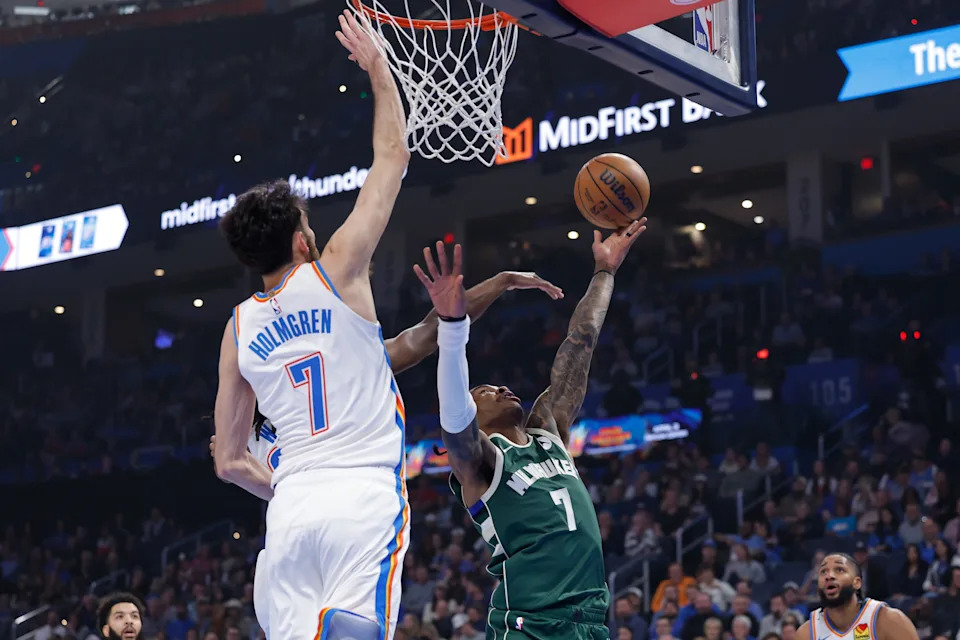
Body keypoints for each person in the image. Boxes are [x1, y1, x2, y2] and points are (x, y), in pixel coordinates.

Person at [211, 262, 561, 634]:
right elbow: (431, 330)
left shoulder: (242, 415)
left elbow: (228, 463)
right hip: (352, 511)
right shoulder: (346, 363)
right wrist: (501, 281)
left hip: (290, 534)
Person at [212, 11, 412, 639]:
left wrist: (296, 487)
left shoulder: (238, 327)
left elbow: (228, 459)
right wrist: (380, 69)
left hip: (292, 508)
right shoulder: (335, 271)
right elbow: (392, 157)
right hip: (361, 496)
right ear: (302, 240)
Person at [417, 221, 646, 639]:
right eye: (485, 392)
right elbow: (454, 419)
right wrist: (452, 329)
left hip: (590, 622)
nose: (501, 388)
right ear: (473, 414)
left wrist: (605, 273)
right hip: (529, 626)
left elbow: (581, 341)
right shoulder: (482, 463)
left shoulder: (548, 429)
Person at [796, 553, 919, 640]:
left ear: (857, 583)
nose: (829, 576)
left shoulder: (888, 619)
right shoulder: (807, 633)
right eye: (823, 571)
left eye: (839, 569)